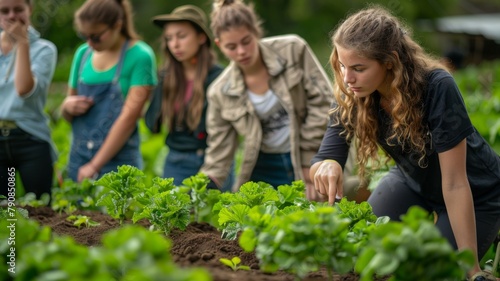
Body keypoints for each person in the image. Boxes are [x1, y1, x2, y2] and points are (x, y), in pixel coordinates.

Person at [310, 6, 500, 281]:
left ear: (389, 61)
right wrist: (327, 166)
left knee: (430, 273)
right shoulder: (354, 90)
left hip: (475, 191)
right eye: (341, 65)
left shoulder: (436, 86)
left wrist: (471, 268)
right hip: (414, 181)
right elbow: (327, 154)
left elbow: (456, 182)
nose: (347, 77)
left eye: (358, 68)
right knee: (365, 257)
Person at [199, 0, 332, 193]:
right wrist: (201, 188)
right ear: (219, 45)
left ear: (256, 32)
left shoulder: (293, 50)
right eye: (231, 47)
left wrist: (309, 160)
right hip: (263, 166)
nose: (241, 51)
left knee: (320, 210)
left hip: (310, 153)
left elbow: (323, 103)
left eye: (246, 41)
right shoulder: (219, 92)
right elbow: (219, 149)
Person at [61, 0, 157, 182]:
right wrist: (66, 107)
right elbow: (68, 112)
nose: (90, 43)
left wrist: (94, 166)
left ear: (117, 25)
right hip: (78, 159)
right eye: (84, 36)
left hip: (119, 164)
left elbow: (128, 119)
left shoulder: (140, 56)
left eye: (96, 36)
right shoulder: (82, 55)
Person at [146, 5, 233, 190]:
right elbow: (151, 122)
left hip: (214, 160)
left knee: (218, 217)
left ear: (201, 37)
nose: (175, 44)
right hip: (176, 160)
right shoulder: (166, 76)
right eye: (169, 38)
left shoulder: (220, 77)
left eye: (182, 36)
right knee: (173, 216)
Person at [0, 0, 57, 198]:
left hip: (30, 139)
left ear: (30, 10)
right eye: (4, 11)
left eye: (18, 10)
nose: (12, 16)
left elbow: (24, 89)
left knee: (40, 211)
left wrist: (22, 42)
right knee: (4, 214)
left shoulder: (44, 49)